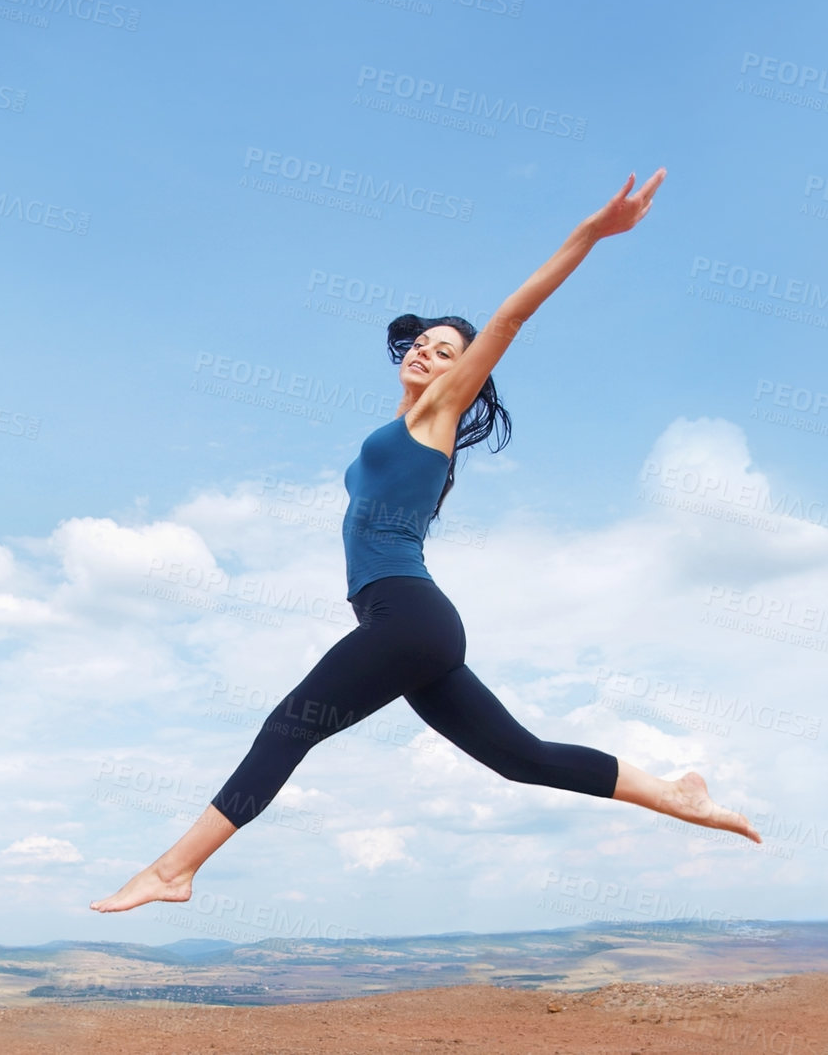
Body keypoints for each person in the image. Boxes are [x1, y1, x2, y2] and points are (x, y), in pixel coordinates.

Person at [92, 168, 759, 915]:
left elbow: (507, 318)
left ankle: (173, 869)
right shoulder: (402, 426)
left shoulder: (438, 411)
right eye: (421, 344)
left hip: (408, 617)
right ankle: (677, 794)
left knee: (290, 725)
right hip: (406, 625)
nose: (426, 354)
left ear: (462, 377)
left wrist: (589, 235)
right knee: (520, 757)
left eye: (446, 352)